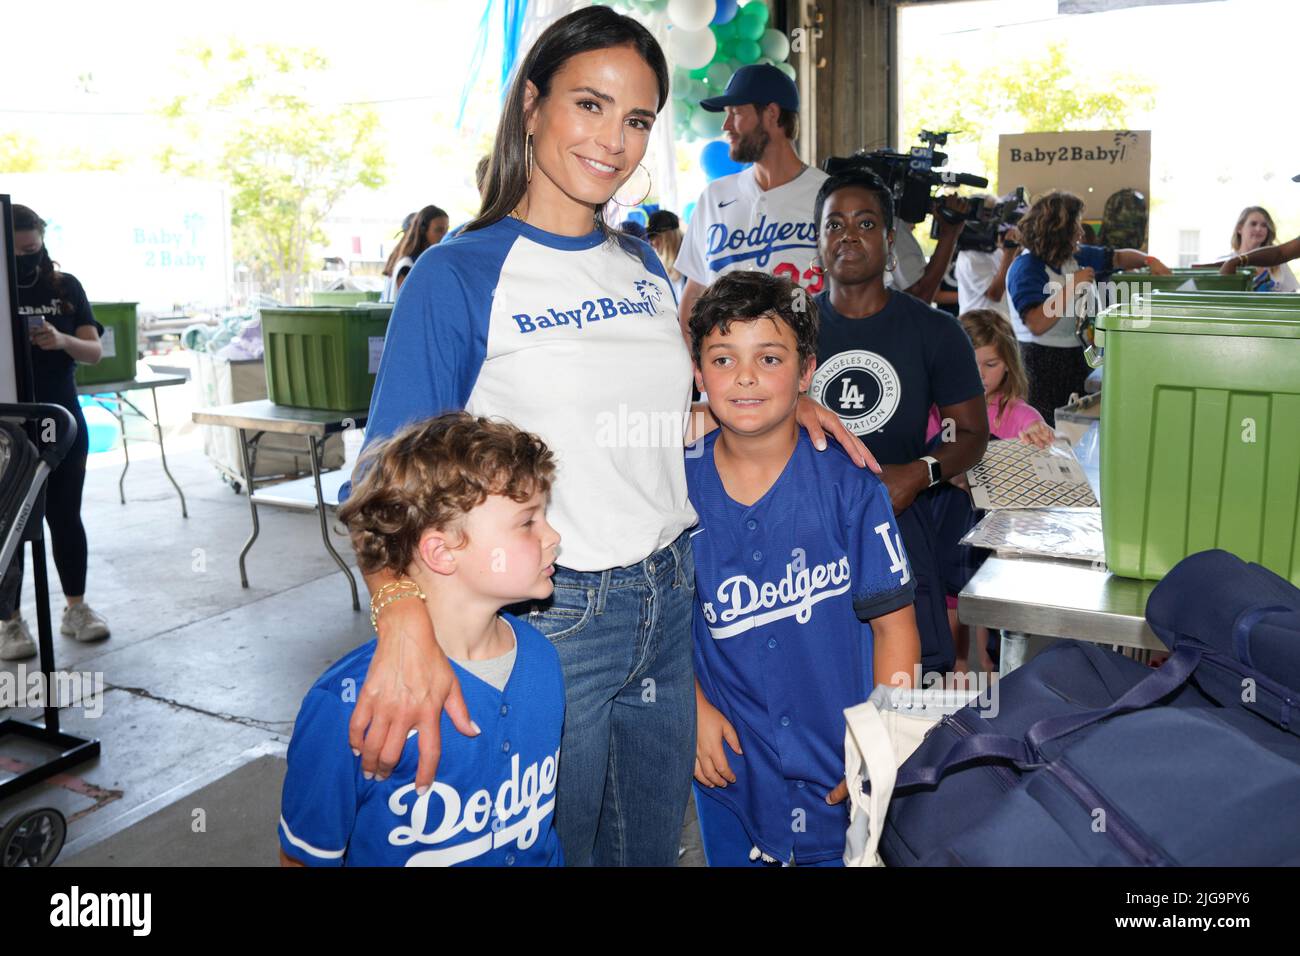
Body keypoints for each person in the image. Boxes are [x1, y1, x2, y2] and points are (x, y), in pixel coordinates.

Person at [337, 6, 871, 868]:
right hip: (554, 618)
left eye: (636, 121)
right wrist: (401, 621)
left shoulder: (643, 268)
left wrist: (773, 404)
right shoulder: (459, 274)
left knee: (646, 851)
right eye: (589, 106)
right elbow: (380, 477)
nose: (613, 140)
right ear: (532, 106)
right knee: (553, 852)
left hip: (671, 598)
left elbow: (650, 424)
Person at [687, 271, 920, 867]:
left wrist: (880, 742)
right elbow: (654, 626)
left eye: (769, 357)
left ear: (807, 371)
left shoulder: (850, 488)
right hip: (730, 773)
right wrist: (691, 705)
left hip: (839, 769)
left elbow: (895, 628)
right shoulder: (673, 491)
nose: (744, 377)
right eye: (722, 358)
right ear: (697, 374)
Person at [279, 413, 565, 866]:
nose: (553, 537)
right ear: (441, 551)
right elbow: (305, 857)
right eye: (527, 522)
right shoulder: (348, 704)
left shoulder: (543, 659)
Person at [807, 169, 989, 679]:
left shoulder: (935, 330)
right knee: (822, 670)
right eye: (834, 224)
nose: (847, 235)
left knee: (906, 682)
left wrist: (919, 473)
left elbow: (972, 433)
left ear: (889, 241)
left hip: (899, 524)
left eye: (865, 223)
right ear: (819, 241)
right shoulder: (791, 326)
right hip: (809, 522)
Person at [0, 205, 111, 660]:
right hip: (9, 425)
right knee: (10, 522)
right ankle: (9, 622)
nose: (30, 255)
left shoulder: (65, 288)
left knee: (65, 515)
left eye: (35, 247)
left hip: (61, 419)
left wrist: (62, 340)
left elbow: (94, 352)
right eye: (20, 248)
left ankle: (76, 608)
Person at [923, 309, 1054, 674]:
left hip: (1000, 540)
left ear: (1009, 365)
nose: (978, 374)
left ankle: (997, 685)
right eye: (969, 362)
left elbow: (1040, 436)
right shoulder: (935, 411)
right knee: (952, 620)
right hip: (947, 531)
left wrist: (1039, 437)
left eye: (990, 364)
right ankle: (956, 676)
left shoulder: (1018, 414)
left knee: (994, 621)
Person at [673, 64, 826, 343]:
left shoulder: (827, 196)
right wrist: (697, 372)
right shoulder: (714, 197)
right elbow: (694, 297)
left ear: (771, 113)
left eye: (736, 113)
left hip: (805, 378)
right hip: (725, 377)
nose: (725, 126)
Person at [1007, 190, 1171, 424]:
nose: (1082, 233)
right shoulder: (1026, 267)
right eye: (1077, 226)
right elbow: (1036, 322)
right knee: (1049, 432)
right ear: (1059, 231)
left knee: (1076, 432)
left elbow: (1117, 258)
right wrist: (1072, 284)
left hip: (1073, 360)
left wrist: (1149, 260)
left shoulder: (1071, 258)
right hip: (1039, 367)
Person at [380, 204, 450, 302]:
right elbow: (409, 304)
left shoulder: (423, 262)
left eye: (447, 230)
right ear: (423, 231)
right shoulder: (408, 265)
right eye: (438, 230)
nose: (445, 236)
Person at [1222, 206, 1298, 292]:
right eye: (1253, 224)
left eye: (1264, 225)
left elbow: (1292, 293)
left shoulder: (1279, 263)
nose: (1258, 229)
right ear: (1239, 228)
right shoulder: (1226, 262)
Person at [646, 209, 684, 297]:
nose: (651, 243)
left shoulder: (690, 264)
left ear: (667, 237)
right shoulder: (657, 264)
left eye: (653, 237)